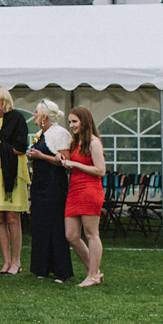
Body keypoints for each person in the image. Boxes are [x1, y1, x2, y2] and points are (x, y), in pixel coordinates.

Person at [0, 85, 30, 275]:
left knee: (12, 216)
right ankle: (6, 261)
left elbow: (21, 147)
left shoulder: (17, 118)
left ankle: (16, 261)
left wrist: (0, 146)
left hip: (12, 169)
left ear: (4, 98)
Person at [26, 99, 74, 282]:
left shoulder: (59, 133)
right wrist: (32, 157)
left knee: (55, 226)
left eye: (36, 112)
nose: (33, 116)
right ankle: (42, 268)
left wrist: (42, 156)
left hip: (54, 184)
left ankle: (61, 271)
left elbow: (65, 162)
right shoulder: (39, 134)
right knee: (40, 226)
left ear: (44, 116)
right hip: (38, 184)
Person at [62, 106, 106, 287]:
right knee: (71, 235)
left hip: (90, 190)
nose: (71, 125)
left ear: (84, 121)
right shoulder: (76, 142)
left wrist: (75, 164)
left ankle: (92, 276)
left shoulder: (93, 143)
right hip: (74, 190)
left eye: (74, 121)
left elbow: (100, 170)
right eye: (70, 121)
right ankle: (94, 271)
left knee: (91, 233)